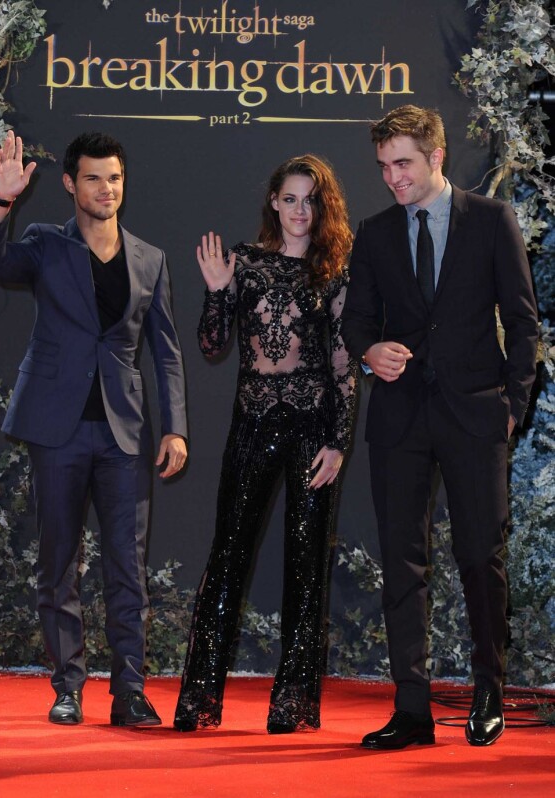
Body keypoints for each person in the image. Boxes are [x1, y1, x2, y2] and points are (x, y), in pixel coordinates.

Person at [341, 104, 538, 749]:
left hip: (476, 413)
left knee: (481, 556)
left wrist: (512, 404)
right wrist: (369, 353)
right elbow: (358, 322)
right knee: (403, 563)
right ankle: (413, 708)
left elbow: (523, 320)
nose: (393, 179)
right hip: (400, 419)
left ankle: (489, 692)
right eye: (384, 167)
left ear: (436, 157)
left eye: (403, 164)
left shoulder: (491, 220)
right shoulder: (372, 233)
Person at [0, 130, 188, 726]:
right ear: (71, 184)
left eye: (115, 178)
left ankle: (129, 692)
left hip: (125, 434)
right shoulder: (45, 244)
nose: (106, 189)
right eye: (93, 178)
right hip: (57, 430)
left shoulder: (149, 258)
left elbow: (166, 351)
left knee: (128, 565)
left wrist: (175, 427)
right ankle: (67, 685)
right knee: (58, 562)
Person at [173, 154, 356, 734]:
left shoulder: (335, 272)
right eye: (291, 198)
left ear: (322, 208)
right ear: (273, 203)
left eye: (311, 200)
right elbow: (211, 344)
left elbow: (343, 366)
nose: (301, 210)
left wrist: (340, 441)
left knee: (306, 565)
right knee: (227, 558)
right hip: (251, 423)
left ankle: (291, 702)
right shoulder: (245, 263)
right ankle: (199, 699)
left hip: (312, 427)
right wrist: (218, 291)